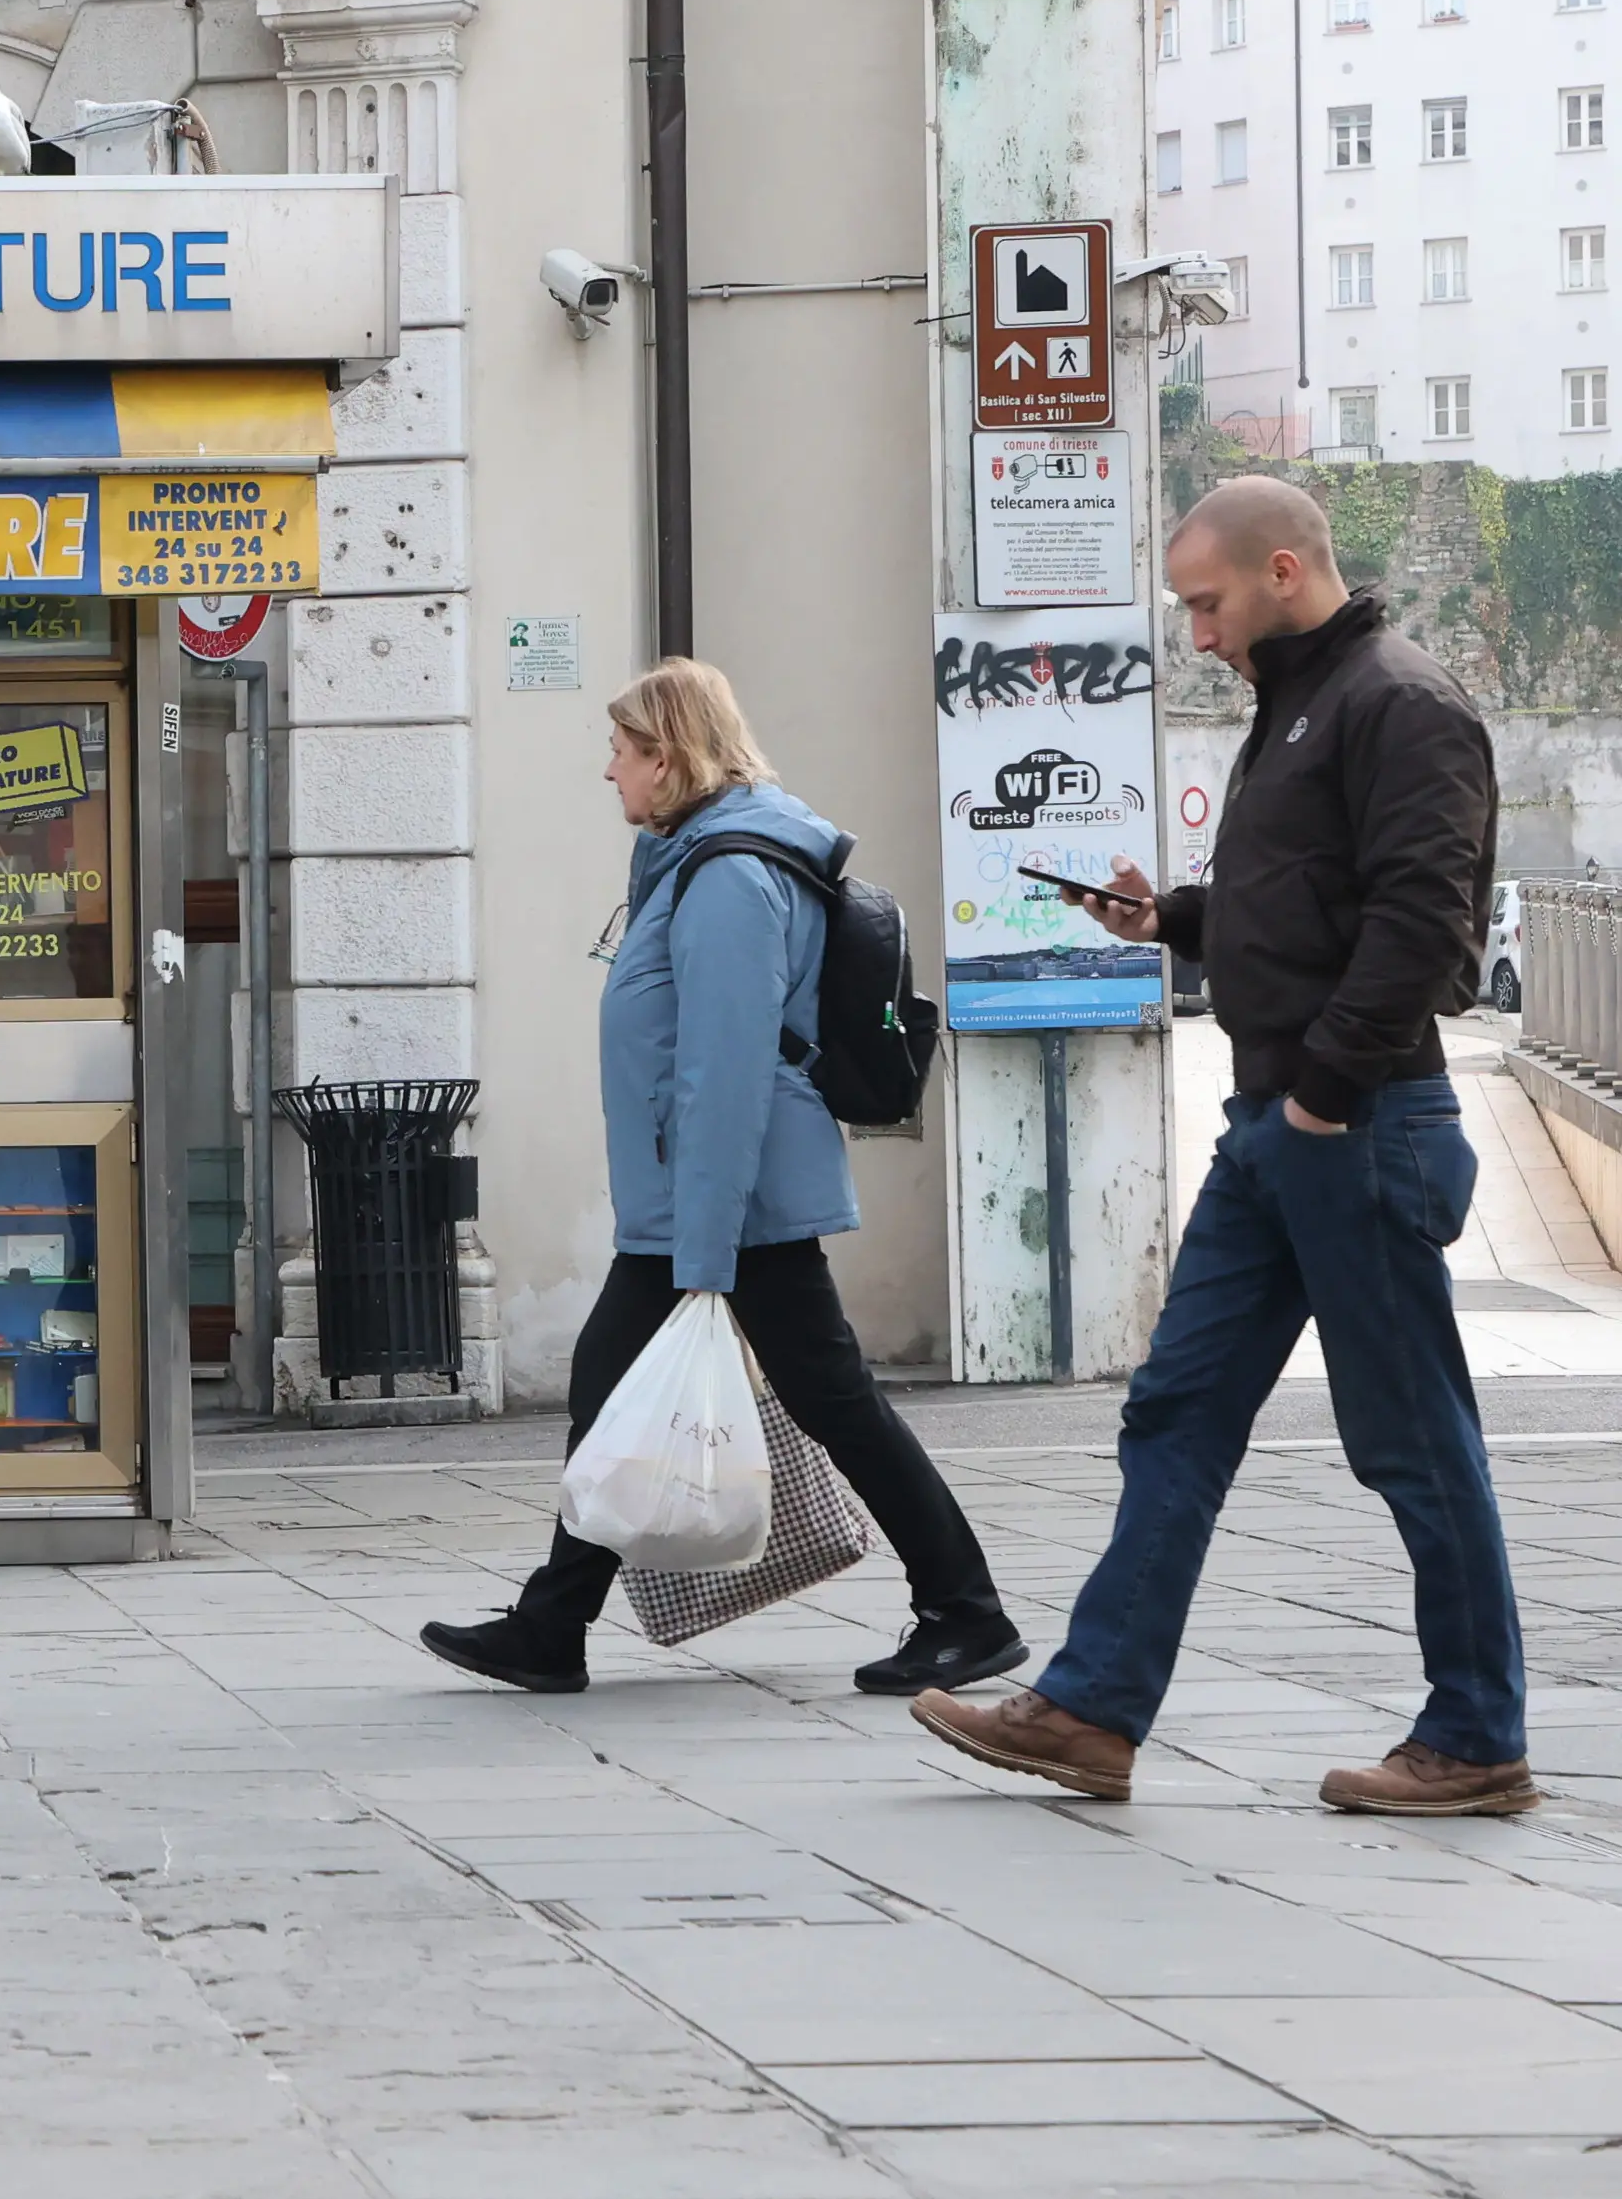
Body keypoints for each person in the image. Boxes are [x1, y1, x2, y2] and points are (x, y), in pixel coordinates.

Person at [918, 477, 1526, 1813]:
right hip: (1279, 1129)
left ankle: (1477, 1733)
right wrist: (1176, 921)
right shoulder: (1304, 702)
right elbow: (1312, 903)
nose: (1196, 630)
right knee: (1177, 1408)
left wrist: (1318, 1093)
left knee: (1414, 1437)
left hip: (1353, 1122)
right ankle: (1088, 1709)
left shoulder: (1397, 701)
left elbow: (1424, 921)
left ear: (1287, 569)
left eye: (1208, 600)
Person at [423, 659, 1023, 1700]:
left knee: (832, 1399)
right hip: (689, 1203)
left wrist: (702, 1248)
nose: (607, 770)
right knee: (608, 1392)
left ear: (668, 756)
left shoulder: (733, 877)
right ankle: (549, 1625)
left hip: (728, 1206)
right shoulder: (692, 863)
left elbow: (724, 1072)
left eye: (621, 750)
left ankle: (967, 1613)